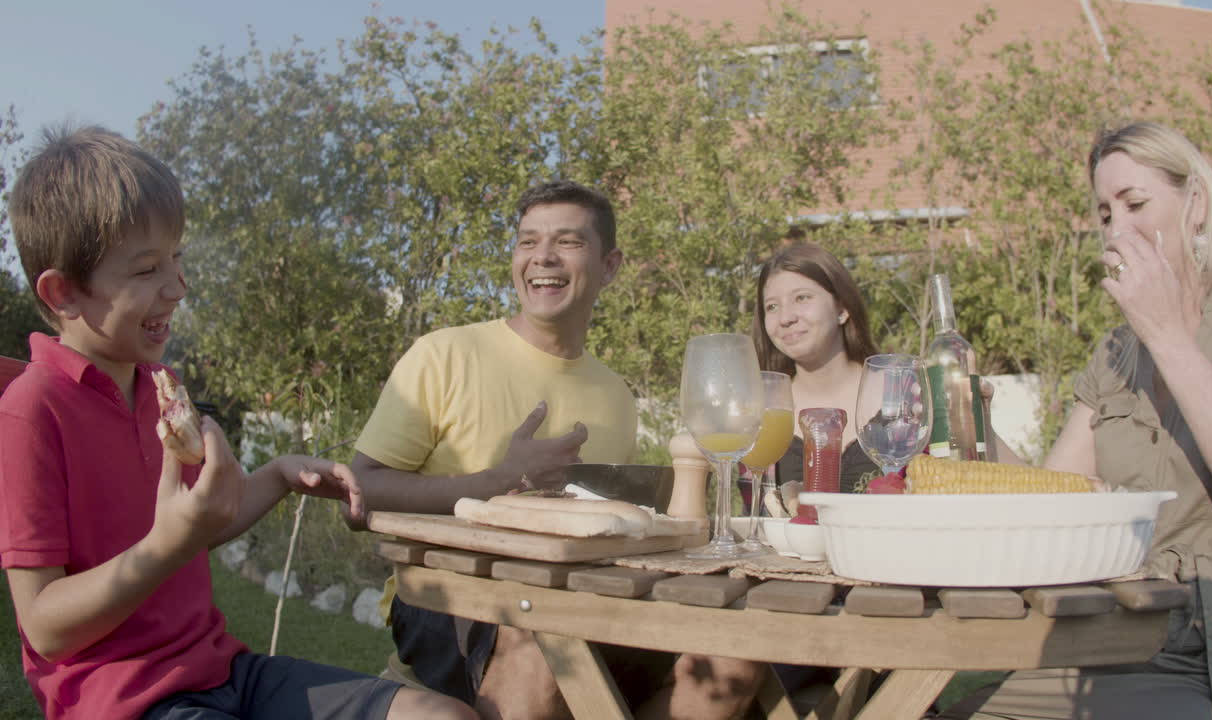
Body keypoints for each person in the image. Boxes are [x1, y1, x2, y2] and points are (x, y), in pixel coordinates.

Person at [0, 125, 476, 720]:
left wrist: (276, 476)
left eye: (177, 258)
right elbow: (44, 627)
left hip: (223, 671)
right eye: (147, 269)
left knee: (440, 716)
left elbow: (198, 524)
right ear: (63, 292)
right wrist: (166, 544)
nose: (178, 286)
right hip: (120, 698)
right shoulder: (31, 409)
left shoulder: (159, 386)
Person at [351, 180, 764, 720]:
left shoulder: (616, 395)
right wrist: (496, 481)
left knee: (733, 660)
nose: (541, 256)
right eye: (527, 242)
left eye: (567, 242)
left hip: (587, 598)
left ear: (610, 266)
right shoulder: (445, 354)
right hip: (449, 600)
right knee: (546, 648)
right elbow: (357, 496)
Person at [940, 122, 1212, 719]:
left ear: (1195, 204)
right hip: (1120, 637)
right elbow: (1056, 504)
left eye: (1135, 203)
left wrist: (1167, 334)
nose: (1116, 230)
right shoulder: (1114, 353)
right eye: (1103, 214)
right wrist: (977, 415)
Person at [751, 242, 882, 491]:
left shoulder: (903, 396)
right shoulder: (759, 409)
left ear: (841, 308)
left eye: (802, 298)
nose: (786, 318)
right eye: (772, 306)